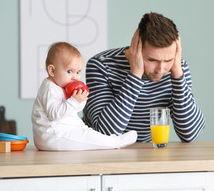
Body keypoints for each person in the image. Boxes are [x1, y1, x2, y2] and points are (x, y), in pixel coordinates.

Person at [83, 12, 205, 143]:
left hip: (145, 153)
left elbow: (190, 134)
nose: (160, 69)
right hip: (98, 152)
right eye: (152, 60)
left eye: (168, 60)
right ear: (136, 47)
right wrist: (135, 75)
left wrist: (178, 77)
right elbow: (105, 133)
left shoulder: (176, 70)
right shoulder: (101, 65)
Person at [32, 42, 137, 151]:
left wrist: (80, 100)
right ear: (52, 71)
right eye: (69, 71)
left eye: (78, 72)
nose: (75, 77)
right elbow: (55, 114)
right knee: (85, 137)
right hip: (53, 135)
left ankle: (110, 140)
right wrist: (73, 101)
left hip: (65, 130)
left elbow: (76, 109)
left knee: (88, 133)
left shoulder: (63, 85)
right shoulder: (50, 89)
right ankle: (116, 142)